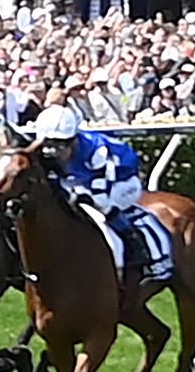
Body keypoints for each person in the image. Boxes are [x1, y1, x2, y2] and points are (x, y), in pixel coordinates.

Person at [22, 103, 150, 275]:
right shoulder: (47, 148)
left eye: (60, 145)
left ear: (74, 140)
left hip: (122, 180)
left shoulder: (97, 152)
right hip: (84, 178)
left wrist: (85, 196)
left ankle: (133, 240)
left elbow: (99, 195)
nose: (53, 151)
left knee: (101, 205)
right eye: (48, 144)